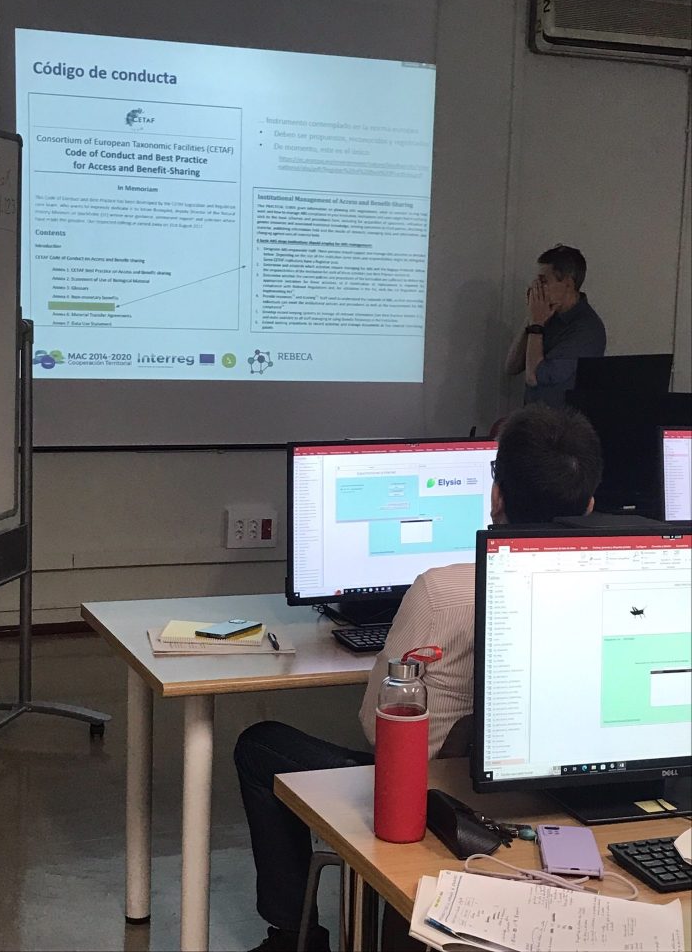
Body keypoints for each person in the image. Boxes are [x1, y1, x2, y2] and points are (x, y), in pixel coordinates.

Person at [235, 404, 603, 952]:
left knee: (260, 746)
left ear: (496, 496)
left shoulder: (442, 591)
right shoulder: (615, 585)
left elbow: (378, 727)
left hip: (437, 801)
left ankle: (294, 937)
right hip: (557, 801)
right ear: (590, 503)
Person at [505, 244, 606, 408]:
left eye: (543, 281)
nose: (536, 287)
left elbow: (534, 377)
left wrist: (536, 325)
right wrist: (531, 318)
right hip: (533, 416)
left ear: (568, 284)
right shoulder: (546, 315)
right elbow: (512, 366)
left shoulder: (587, 329)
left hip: (560, 421)